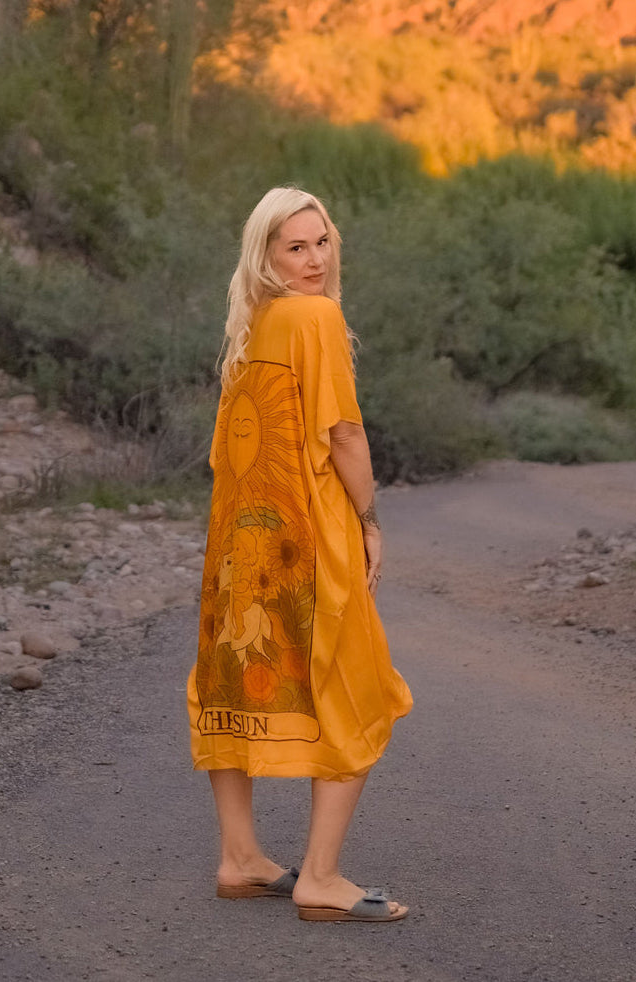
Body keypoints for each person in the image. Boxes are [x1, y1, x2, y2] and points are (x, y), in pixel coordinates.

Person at [186, 187, 414, 923]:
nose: (314, 260)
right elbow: (342, 433)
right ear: (267, 255)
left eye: (322, 243)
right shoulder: (314, 316)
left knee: (233, 688)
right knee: (357, 690)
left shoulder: (251, 323)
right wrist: (372, 520)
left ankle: (242, 858)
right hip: (311, 541)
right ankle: (319, 877)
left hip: (241, 544)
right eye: (296, 247)